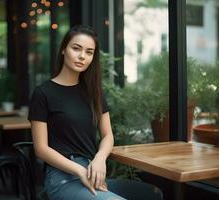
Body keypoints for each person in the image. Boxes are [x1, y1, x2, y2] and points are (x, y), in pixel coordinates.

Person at [28, 25, 163, 200]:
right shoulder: (43, 93)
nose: (82, 56)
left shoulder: (93, 93)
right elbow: (41, 149)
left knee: (152, 194)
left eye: (89, 52)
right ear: (63, 50)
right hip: (62, 178)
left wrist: (100, 157)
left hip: (92, 172)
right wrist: (79, 170)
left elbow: (107, 135)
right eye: (76, 48)